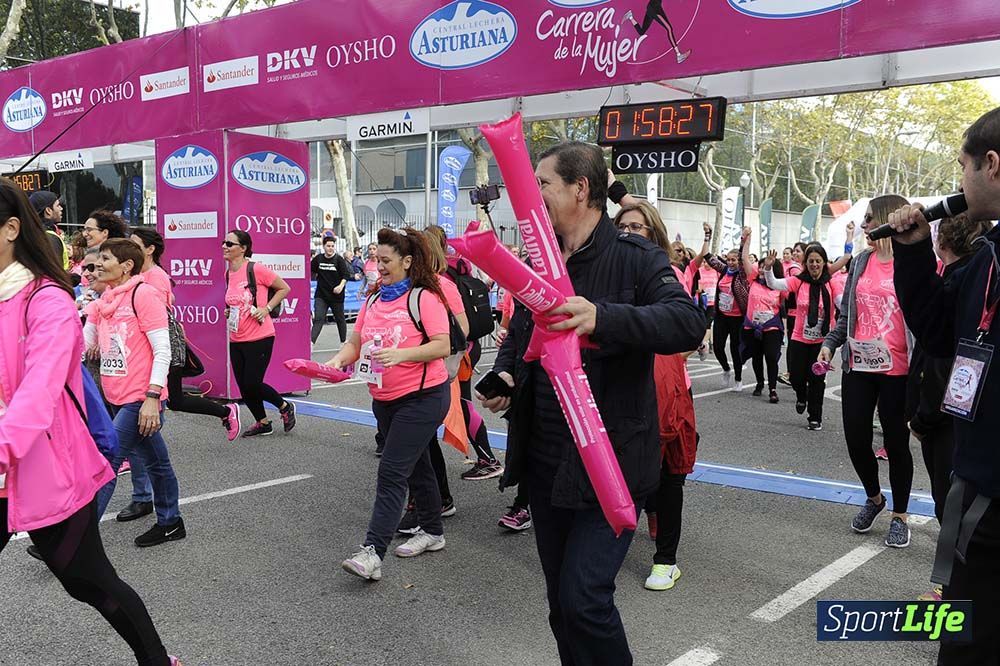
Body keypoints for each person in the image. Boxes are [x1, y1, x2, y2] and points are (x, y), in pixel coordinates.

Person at [480, 142, 705, 665]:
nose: (532, 196)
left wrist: (601, 317)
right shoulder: (541, 258)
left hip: (613, 462)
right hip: (545, 458)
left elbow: (687, 322)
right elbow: (522, 334)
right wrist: (507, 376)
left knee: (585, 599)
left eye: (543, 185)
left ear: (581, 189)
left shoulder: (636, 256)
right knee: (561, 606)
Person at [0, 178, 184, 666]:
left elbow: (37, 394)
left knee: (88, 582)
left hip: (47, 468)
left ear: (11, 229)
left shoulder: (47, 301)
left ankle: (158, 661)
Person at [887, 107, 1000, 665]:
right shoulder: (986, 260)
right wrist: (910, 251)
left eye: (963, 167)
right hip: (981, 487)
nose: (960, 182)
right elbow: (937, 331)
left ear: (992, 165)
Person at [329, 227, 454, 581]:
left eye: (385, 260)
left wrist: (403, 354)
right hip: (383, 398)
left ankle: (373, 553)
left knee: (392, 472)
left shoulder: (423, 298)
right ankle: (433, 531)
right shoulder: (372, 300)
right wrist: (337, 361)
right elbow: (356, 341)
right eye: (375, 259)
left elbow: (442, 345)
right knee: (418, 466)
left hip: (424, 397)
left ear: (407, 261)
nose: (378, 266)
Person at [613, 200, 699, 593]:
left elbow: (687, 331)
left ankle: (666, 559)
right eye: (623, 227)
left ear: (654, 235)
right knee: (625, 469)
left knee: (669, 477)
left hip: (666, 386)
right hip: (622, 386)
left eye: (638, 228)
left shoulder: (667, 275)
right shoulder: (607, 274)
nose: (629, 233)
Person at [818, 194, 914, 549]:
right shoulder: (860, 262)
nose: (864, 225)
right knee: (856, 438)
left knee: (896, 443)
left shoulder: (913, 263)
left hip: (897, 370)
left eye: (871, 218)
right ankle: (875, 499)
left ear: (889, 219)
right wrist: (830, 344)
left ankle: (900, 516)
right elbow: (847, 316)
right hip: (858, 363)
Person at [86, 239, 186, 549]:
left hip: (141, 398)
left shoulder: (144, 295)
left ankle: (75, 540)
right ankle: (170, 522)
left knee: (106, 461)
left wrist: (153, 398)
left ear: (127, 265)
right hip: (114, 398)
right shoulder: (102, 302)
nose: (96, 265)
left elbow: (162, 349)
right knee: (157, 462)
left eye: (104, 259)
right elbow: (81, 347)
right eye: (95, 261)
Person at [131, 227, 240, 442]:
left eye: (135, 245)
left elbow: (160, 315)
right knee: (169, 399)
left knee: (170, 399)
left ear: (150, 249)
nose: (129, 248)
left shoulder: (157, 276)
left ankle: (227, 411)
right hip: (145, 343)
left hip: (165, 342)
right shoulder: (139, 274)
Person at [223, 230, 296, 438]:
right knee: (243, 386)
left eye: (230, 243)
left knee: (252, 383)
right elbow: (233, 301)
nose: (224, 246)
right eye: (224, 242)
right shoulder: (228, 273)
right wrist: (229, 311)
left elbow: (284, 288)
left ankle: (284, 406)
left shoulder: (256, 269)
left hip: (260, 336)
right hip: (236, 336)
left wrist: (266, 308)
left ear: (243, 248)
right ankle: (262, 422)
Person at [764, 243, 842, 430]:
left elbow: (842, 302)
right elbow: (773, 283)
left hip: (823, 342)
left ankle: (815, 417)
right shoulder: (798, 281)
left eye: (818, 261)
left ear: (824, 263)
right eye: (811, 261)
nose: (814, 265)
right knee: (797, 377)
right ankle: (801, 395)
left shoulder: (831, 282)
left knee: (817, 380)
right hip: (799, 338)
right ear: (806, 263)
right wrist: (768, 268)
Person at [740, 229, 784, 403]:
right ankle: (759, 383)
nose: (762, 269)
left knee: (771, 357)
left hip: (771, 326)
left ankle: (773, 388)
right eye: (761, 266)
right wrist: (747, 239)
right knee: (757, 356)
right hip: (753, 326)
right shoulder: (753, 280)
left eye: (767, 267)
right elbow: (744, 259)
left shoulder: (779, 286)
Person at [702, 230, 749, 390]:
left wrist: (743, 241)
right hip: (722, 316)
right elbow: (707, 256)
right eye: (728, 260)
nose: (730, 263)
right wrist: (707, 235)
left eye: (733, 260)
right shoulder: (724, 271)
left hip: (737, 318)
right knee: (718, 347)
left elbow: (743, 259)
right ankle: (726, 369)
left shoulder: (742, 275)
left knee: (735, 349)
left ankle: (738, 378)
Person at [310, 236, 352, 345]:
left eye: (332, 246)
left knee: (339, 318)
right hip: (321, 295)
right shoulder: (318, 259)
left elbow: (346, 275)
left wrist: (340, 286)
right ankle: (310, 343)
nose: (330, 248)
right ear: (324, 246)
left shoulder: (339, 260)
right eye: (328, 246)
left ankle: (343, 342)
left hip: (336, 296)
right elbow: (309, 270)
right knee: (319, 318)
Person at [28, 190, 69, 271]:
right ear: (48, 211)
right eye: (57, 205)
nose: (61, 208)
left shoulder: (30, 234)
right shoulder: (50, 238)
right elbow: (56, 274)